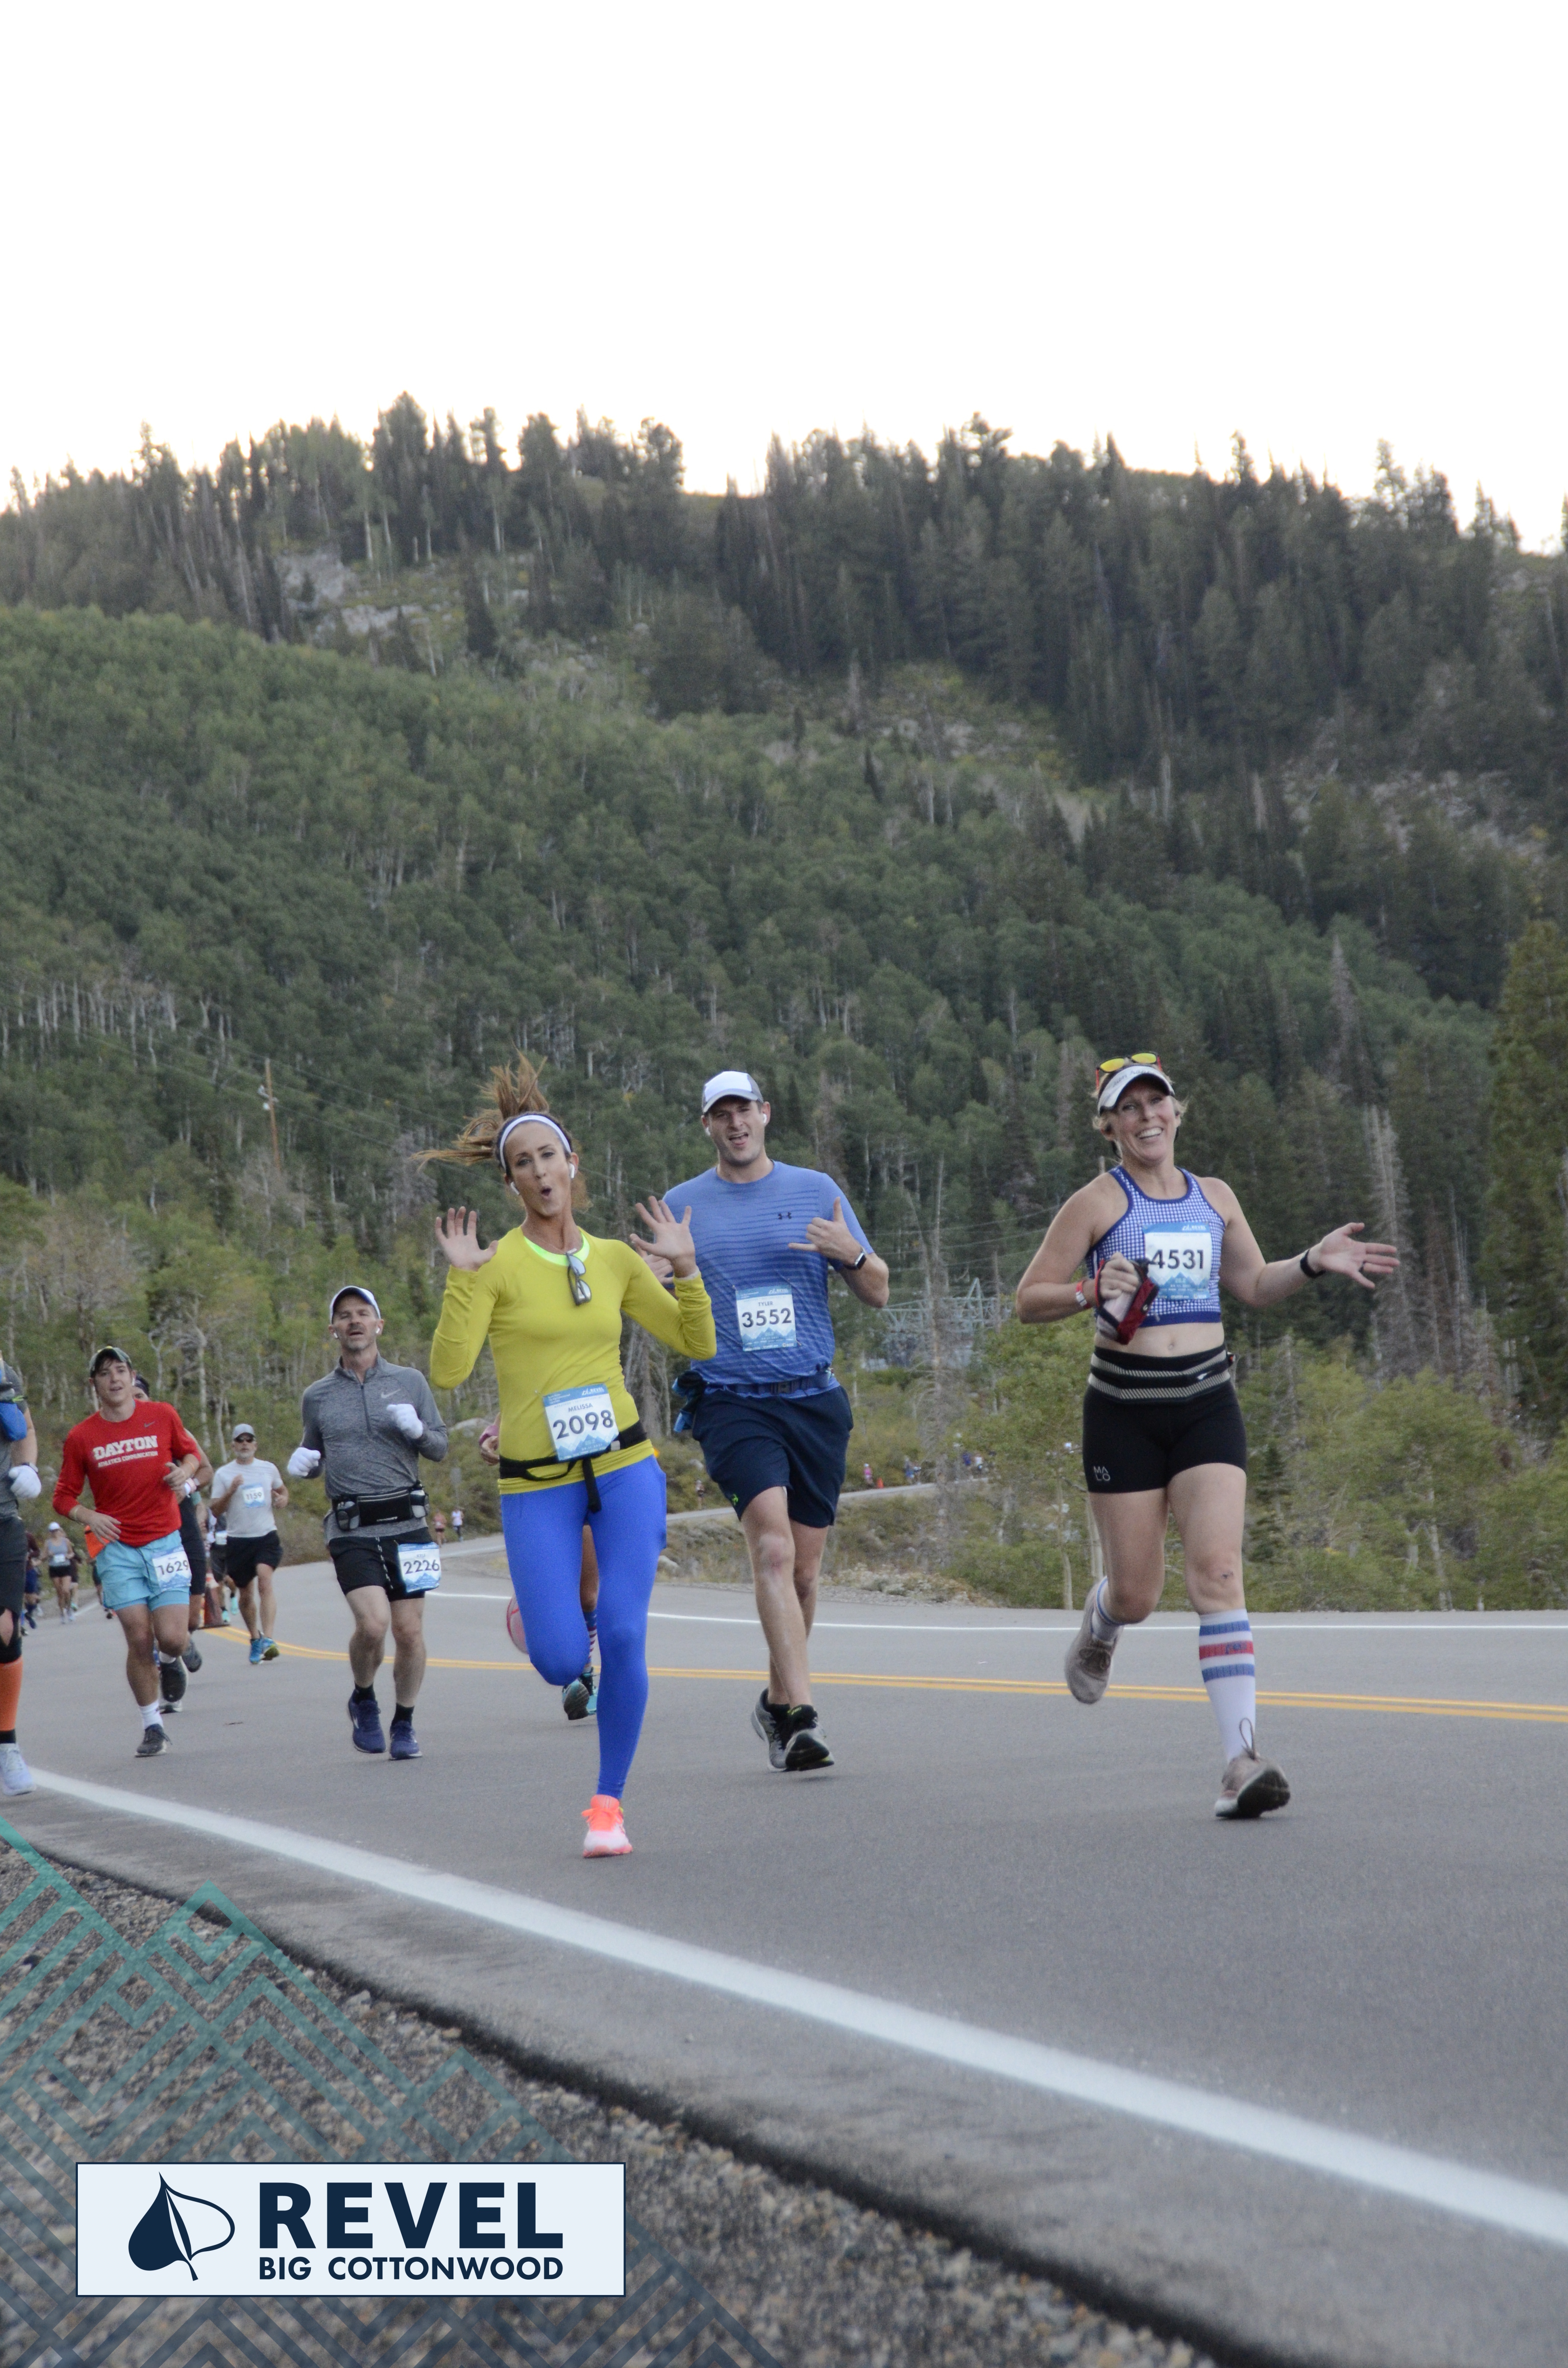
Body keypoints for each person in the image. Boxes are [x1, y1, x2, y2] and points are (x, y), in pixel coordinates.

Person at [1014, 1051, 1399, 1818]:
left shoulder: (1213, 1197)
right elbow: (1029, 1300)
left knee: (1219, 1574)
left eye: (1156, 1103)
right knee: (1139, 1592)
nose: (1146, 1117)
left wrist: (1312, 1262)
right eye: (1129, 1108)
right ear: (1109, 1126)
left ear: (1177, 1112)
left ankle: (1240, 1760)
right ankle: (1104, 1619)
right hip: (1123, 1410)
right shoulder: (1096, 1203)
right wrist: (1090, 1290)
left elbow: (1253, 1284)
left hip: (1205, 1405)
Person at [427, 1056, 716, 1857]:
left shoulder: (616, 1259)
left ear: (571, 1163)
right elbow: (448, 1371)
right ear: (511, 1182)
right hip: (535, 1483)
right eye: (523, 1163)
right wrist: (462, 1281)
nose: (540, 1172)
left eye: (548, 1156)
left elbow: (695, 1340)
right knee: (562, 1662)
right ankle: (544, 1615)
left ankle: (607, 1805)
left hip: (623, 1466)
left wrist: (687, 1268)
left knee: (621, 1634)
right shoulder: (495, 1266)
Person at [660, 1069, 888, 1775]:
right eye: (721, 1114)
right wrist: (665, 1277)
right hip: (732, 1400)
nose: (735, 1124)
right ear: (707, 1125)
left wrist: (850, 1253)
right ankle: (801, 1717)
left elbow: (878, 1290)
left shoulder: (815, 1190)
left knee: (805, 1575)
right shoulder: (682, 1205)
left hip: (812, 1397)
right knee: (774, 1551)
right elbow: (660, 1310)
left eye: (745, 1111)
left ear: (765, 1114)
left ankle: (775, 1700)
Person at [289, 1287, 447, 1761]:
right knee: (374, 1625)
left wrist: (418, 1430)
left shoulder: (409, 1382)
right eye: (344, 1315)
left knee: (410, 1632)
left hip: (409, 1523)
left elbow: (439, 1447)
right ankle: (363, 1696)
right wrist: (305, 1465)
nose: (354, 1321)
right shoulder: (317, 1395)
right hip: (352, 1527)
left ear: (379, 1324)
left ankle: (405, 1722)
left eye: (363, 1313)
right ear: (333, 1329)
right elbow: (314, 1453)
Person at [52, 1347, 203, 1759]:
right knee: (138, 1637)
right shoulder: (83, 1436)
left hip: (165, 1542)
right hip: (117, 1549)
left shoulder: (162, 1415)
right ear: (94, 1384)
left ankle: (170, 1660)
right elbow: (63, 1497)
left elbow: (194, 1456)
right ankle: (152, 1725)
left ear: (133, 1377)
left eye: (121, 1371)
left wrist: (185, 1473)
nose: (114, 1379)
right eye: (105, 1374)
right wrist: (90, 1515)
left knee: (173, 1638)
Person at [480, 1415, 599, 1720]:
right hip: (544, 1487)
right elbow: (518, 1399)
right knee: (568, 1592)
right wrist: (494, 1433)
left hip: (592, 1475)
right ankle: (580, 1676)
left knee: (589, 1597)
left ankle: (593, 1670)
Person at [132, 1375, 210, 1691]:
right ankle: (169, 1662)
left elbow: (205, 1469)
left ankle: (178, 1645)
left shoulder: (169, 1425)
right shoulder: (112, 1438)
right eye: (129, 1395)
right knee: (157, 1609)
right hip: (145, 1534)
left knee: (190, 1618)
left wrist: (187, 1486)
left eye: (139, 1395)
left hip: (182, 1524)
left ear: (149, 1398)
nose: (134, 1401)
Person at [209, 1425, 288, 1665]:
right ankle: (255, 1637)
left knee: (265, 1580)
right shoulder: (224, 1474)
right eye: (240, 1440)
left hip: (266, 1535)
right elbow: (215, 1509)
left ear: (255, 1444)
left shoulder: (268, 1468)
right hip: (238, 1540)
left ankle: (269, 1639)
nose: (245, 1444)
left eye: (249, 1440)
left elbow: (282, 1490)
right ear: (233, 1445)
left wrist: (282, 1499)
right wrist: (231, 1491)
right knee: (246, 1592)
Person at [0, 1362, 40, 1796]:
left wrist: (28, 1466)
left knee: (5, 1630)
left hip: (2, 1518)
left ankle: (7, 1745)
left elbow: (24, 1424)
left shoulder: (3, 1370)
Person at [43, 1522, 79, 1622]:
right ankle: (62, 1612)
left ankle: (69, 1609)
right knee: (59, 1593)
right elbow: (43, 1556)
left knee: (66, 1590)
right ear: (50, 1532)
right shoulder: (48, 1543)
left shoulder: (66, 1541)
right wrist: (48, 1554)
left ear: (59, 1531)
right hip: (54, 1568)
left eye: (56, 1530)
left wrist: (68, 1556)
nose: (55, 1533)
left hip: (66, 1567)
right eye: (53, 1531)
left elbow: (72, 1553)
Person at [23, 1536, 42, 1632]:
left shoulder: (28, 1537)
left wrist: (29, 1555)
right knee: (17, 1598)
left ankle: (29, 1613)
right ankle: (20, 1626)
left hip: (28, 1570)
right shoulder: (5, 1536)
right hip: (12, 1572)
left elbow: (37, 1551)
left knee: (31, 1598)